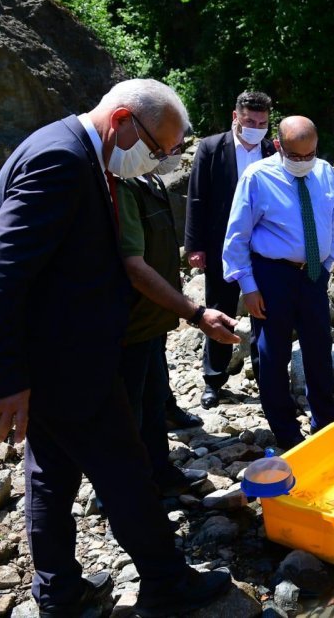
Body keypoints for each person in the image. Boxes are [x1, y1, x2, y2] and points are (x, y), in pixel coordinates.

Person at [0, 79, 231, 617]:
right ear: (123, 119)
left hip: (57, 357)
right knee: (126, 472)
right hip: (67, 363)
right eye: (156, 149)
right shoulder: (61, 159)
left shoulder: (73, 150)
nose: (157, 162)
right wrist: (0, 378)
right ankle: (166, 583)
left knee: (50, 476)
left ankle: (58, 592)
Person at [116, 162, 240, 495]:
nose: (170, 153)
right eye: (164, 145)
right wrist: (196, 313)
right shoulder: (120, 185)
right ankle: (124, 490)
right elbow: (134, 266)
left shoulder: (149, 180)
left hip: (154, 317)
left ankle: (159, 472)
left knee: (154, 398)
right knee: (129, 410)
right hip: (130, 323)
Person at [221, 115, 334, 449]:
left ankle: (325, 419)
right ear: (278, 146)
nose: (304, 162)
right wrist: (248, 285)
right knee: (273, 352)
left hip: (314, 272)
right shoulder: (257, 176)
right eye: (296, 156)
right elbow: (237, 234)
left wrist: (329, 259)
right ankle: (285, 429)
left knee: (319, 346)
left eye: (310, 154)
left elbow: (330, 219)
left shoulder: (324, 171)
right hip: (272, 274)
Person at [185, 91, 276, 409]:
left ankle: (268, 377)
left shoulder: (271, 149)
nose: (256, 126)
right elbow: (197, 198)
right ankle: (213, 380)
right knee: (220, 308)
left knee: (264, 309)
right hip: (220, 242)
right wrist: (194, 245)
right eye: (250, 120)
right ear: (235, 117)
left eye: (262, 122)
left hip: (263, 244)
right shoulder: (211, 147)